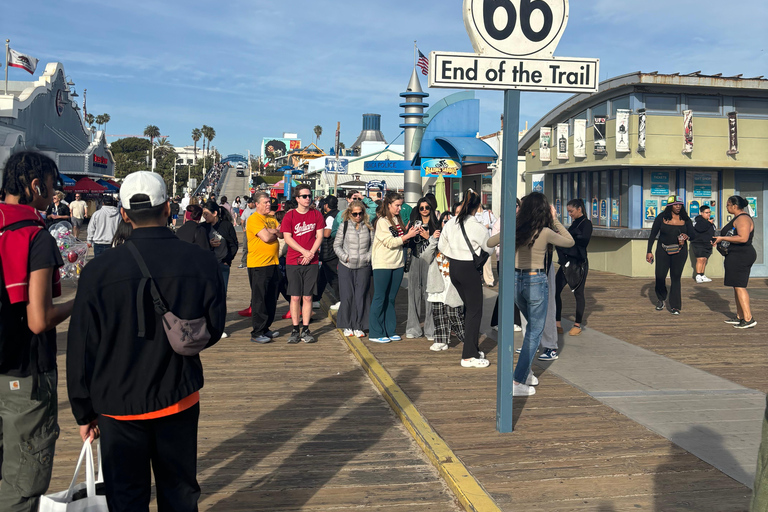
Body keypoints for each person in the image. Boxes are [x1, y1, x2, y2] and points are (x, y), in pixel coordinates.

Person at [67, 171, 226, 511]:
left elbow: (81, 348)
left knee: (126, 498)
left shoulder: (99, 271)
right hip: (178, 395)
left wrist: (83, 410)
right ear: (168, 208)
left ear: (123, 214)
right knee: (180, 493)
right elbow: (212, 328)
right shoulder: (199, 260)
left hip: (117, 404)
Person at [0, 151, 72, 511]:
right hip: (24, 371)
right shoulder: (35, 235)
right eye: (52, 184)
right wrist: (82, 299)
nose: (53, 190)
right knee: (22, 482)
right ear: (34, 185)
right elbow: (39, 320)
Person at [513, 192, 574, 396]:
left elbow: (489, 243)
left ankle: (527, 372)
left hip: (516, 281)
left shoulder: (515, 229)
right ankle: (518, 381)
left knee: (531, 327)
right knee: (534, 332)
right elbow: (569, 241)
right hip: (536, 281)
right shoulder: (545, 232)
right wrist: (555, 219)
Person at [438, 190, 494, 367]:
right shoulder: (476, 226)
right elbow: (489, 248)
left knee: (469, 309)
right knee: (474, 311)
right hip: (469, 268)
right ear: (478, 207)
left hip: (454, 267)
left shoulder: (451, 222)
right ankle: (469, 355)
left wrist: (453, 253)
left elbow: (441, 245)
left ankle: (473, 349)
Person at [370, 192, 420, 343]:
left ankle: (389, 329)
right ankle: (375, 332)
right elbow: (390, 242)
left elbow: (400, 241)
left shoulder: (397, 219)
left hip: (397, 263)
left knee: (391, 298)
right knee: (380, 297)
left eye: (401, 205)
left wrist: (410, 234)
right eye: (397, 205)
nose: (400, 208)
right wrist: (407, 236)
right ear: (389, 205)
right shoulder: (382, 222)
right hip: (383, 263)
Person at [281, 184, 324, 344]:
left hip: (311, 261)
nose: (308, 199)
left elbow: (319, 236)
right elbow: (287, 237)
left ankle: (306, 328)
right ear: (297, 198)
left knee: (308, 296)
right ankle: (294, 328)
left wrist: (311, 253)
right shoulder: (290, 216)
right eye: (304, 196)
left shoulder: (316, 214)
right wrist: (304, 252)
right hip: (293, 260)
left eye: (309, 196)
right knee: (295, 296)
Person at [713, 195, 757, 329]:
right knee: (736, 285)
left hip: (742, 255)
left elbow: (743, 238)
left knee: (740, 285)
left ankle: (748, 318)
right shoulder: (738, 218)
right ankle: (740, 316)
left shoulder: (743, 218)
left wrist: (721, 238)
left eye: (728, 205)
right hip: (735, 254)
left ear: (734, 206)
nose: (727, 207)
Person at [553, 198, 593, 342]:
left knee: (578, 293)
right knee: (556, 290)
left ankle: (577, 323)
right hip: (566, 262)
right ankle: (557, 322)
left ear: (579, 209)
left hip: (579, 263)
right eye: (568, 211)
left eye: (571, 211)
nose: (569, 214)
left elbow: (584, 240)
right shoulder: (575, 223)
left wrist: (572, 234)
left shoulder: (586, 223)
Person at [646, 196, 694, 315]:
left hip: (680, 251)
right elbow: (652, 235)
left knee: (676, 277)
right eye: (675, 204)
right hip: (663, 250)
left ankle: (675, 306)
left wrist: (686, 236)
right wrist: (649, 251)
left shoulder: (686, 219)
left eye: (680, 204)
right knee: (660, 276)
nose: (678, 207)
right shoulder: (661, 218)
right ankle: (661, 298)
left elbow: (693, 235)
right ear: (670, 206)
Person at [333, 200, 374, 338]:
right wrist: (345, 257)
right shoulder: (344, 226)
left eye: (360, 213)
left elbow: (373, 246)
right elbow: (336, 245)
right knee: (347, 296)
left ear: (364, 213)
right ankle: (347, 325)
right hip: (346, 266)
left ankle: (359, 325)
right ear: (349, 213)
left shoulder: (369, 227)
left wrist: (367, 257)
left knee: (361, 296)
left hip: (363, 266)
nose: (357, 216)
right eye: (355, 214)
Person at [246, 192, 282, 343]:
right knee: (259, 299)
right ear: (257, 204)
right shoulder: (254, 219)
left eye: (269, 202)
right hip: (259, 264)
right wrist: (272, 233)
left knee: (271, 297)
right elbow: (266, 238)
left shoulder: (271, 219)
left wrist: (272, 231)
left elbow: (281, 233)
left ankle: (266, 328)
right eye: (265, 202)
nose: (269, 204)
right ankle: (257, 332)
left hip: (273, 263)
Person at [405, 197, 438, 340]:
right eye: (421, 208)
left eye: (427, 207)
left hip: (430, 261)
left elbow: (441, 244)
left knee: (429, 294)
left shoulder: (436, 224)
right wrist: (409, 233)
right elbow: (407, 243)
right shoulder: (413, 223)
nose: (424, 210)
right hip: (415, 258)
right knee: (413, 294)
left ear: (431, 208)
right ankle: (413, 328)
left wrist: (428, 236)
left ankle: (430, 329)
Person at [202, 200, 239, 296]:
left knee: (221, 294)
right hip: (207, 265)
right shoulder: (203, 227)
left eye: (206, 214)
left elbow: (234, 244)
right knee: (208, 294)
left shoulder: (226, 225)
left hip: (223, 264)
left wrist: (228, 260)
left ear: (215, 213)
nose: (204, 217)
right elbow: (198, 245)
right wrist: (208, 243)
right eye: (203, 214)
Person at [319, 195, 341, 309]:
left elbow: (327, 233)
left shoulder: (329, 217)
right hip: (333, 250)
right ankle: (316, 298)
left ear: (326, 205)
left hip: (330, 252)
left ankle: (341, 299)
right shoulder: (339, 214)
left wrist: (317, 232)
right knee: (322, 276)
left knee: (332, 277)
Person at [691, 204, 716, 283]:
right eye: (706, 212)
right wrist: (709, 223)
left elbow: (712, 232)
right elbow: (700, 228)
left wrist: (713, 240)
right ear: (701, 213)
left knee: (705, 259)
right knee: (700, 259)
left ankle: (702, 274)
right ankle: (698, 275)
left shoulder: (709, 222)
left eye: (709, 212)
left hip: (707, 243)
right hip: (698, 243)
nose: (708, 214)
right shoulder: (698, 220)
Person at [475, 204, 497, 286]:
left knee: (487, 260)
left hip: (488, 240)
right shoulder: (473, 214)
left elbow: (496, 224)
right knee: (477, 260)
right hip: (477, 240)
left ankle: (489, 280)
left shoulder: (487, 213)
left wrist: (489, 226)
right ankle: (479, 279)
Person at [238, 196, 257, 269]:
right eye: (249, 203)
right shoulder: (246, 211)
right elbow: (242, 220)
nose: (249, 205)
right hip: (247, 231)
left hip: (256, 231)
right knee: (245, 247)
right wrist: (243, 228)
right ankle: (244, 262)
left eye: (251, 203)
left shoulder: (257, 210)